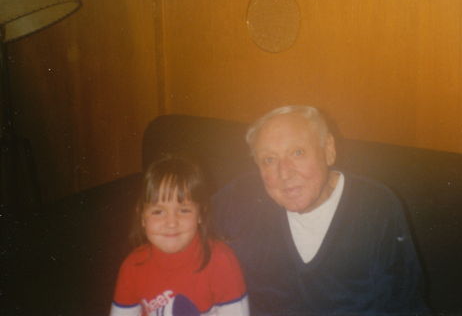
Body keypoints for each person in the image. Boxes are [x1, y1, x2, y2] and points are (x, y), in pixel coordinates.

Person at [212, 105, 429, 315]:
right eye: (269, 160)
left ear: (328, 151)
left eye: (297, 153)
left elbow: (405, 304)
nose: (284, 173)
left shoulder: (375, 206)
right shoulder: (240, 197)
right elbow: (187, 241)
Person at [110, 156, 249, 316]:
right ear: (142, 217)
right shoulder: (132, 267)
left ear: (200, 215)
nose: (171, 223)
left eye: (184, 210)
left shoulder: (222, 262)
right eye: (158, 212)